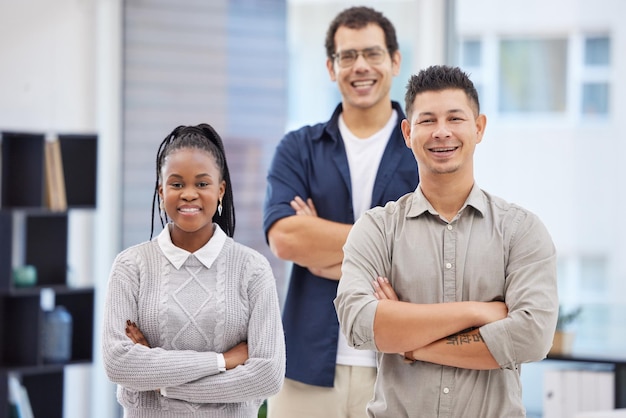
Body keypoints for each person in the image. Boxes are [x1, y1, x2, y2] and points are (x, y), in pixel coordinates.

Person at [334, 65, 559, 417]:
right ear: (408, 132)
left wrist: (410, 345)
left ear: (478, 127)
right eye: (427, 121)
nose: (441, 132)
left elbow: (531, 336)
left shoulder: (521, 230)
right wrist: (477, 312)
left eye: (455, 118)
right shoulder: (376, 229)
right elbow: (359, 325)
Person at [263, 6, 419, 418]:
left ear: (395, 61)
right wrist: (384, 250)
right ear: (331, 68)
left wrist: (324, 246)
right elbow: (285, 238)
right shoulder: (299, 148)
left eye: (372, 53)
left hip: (399, 366)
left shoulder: (423, 152)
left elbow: (432, 251)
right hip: (306, 368)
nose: (360, 66)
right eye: (347, 56)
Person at [102, 123, 285, 417]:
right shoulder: (130, 266)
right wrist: (224, 361)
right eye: (176, 184)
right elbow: (118, 363)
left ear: (220, 190)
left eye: (201, 184)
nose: (189, 194)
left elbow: (267, 375)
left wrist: (162, 383)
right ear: (161, 191)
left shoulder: (252, 269)